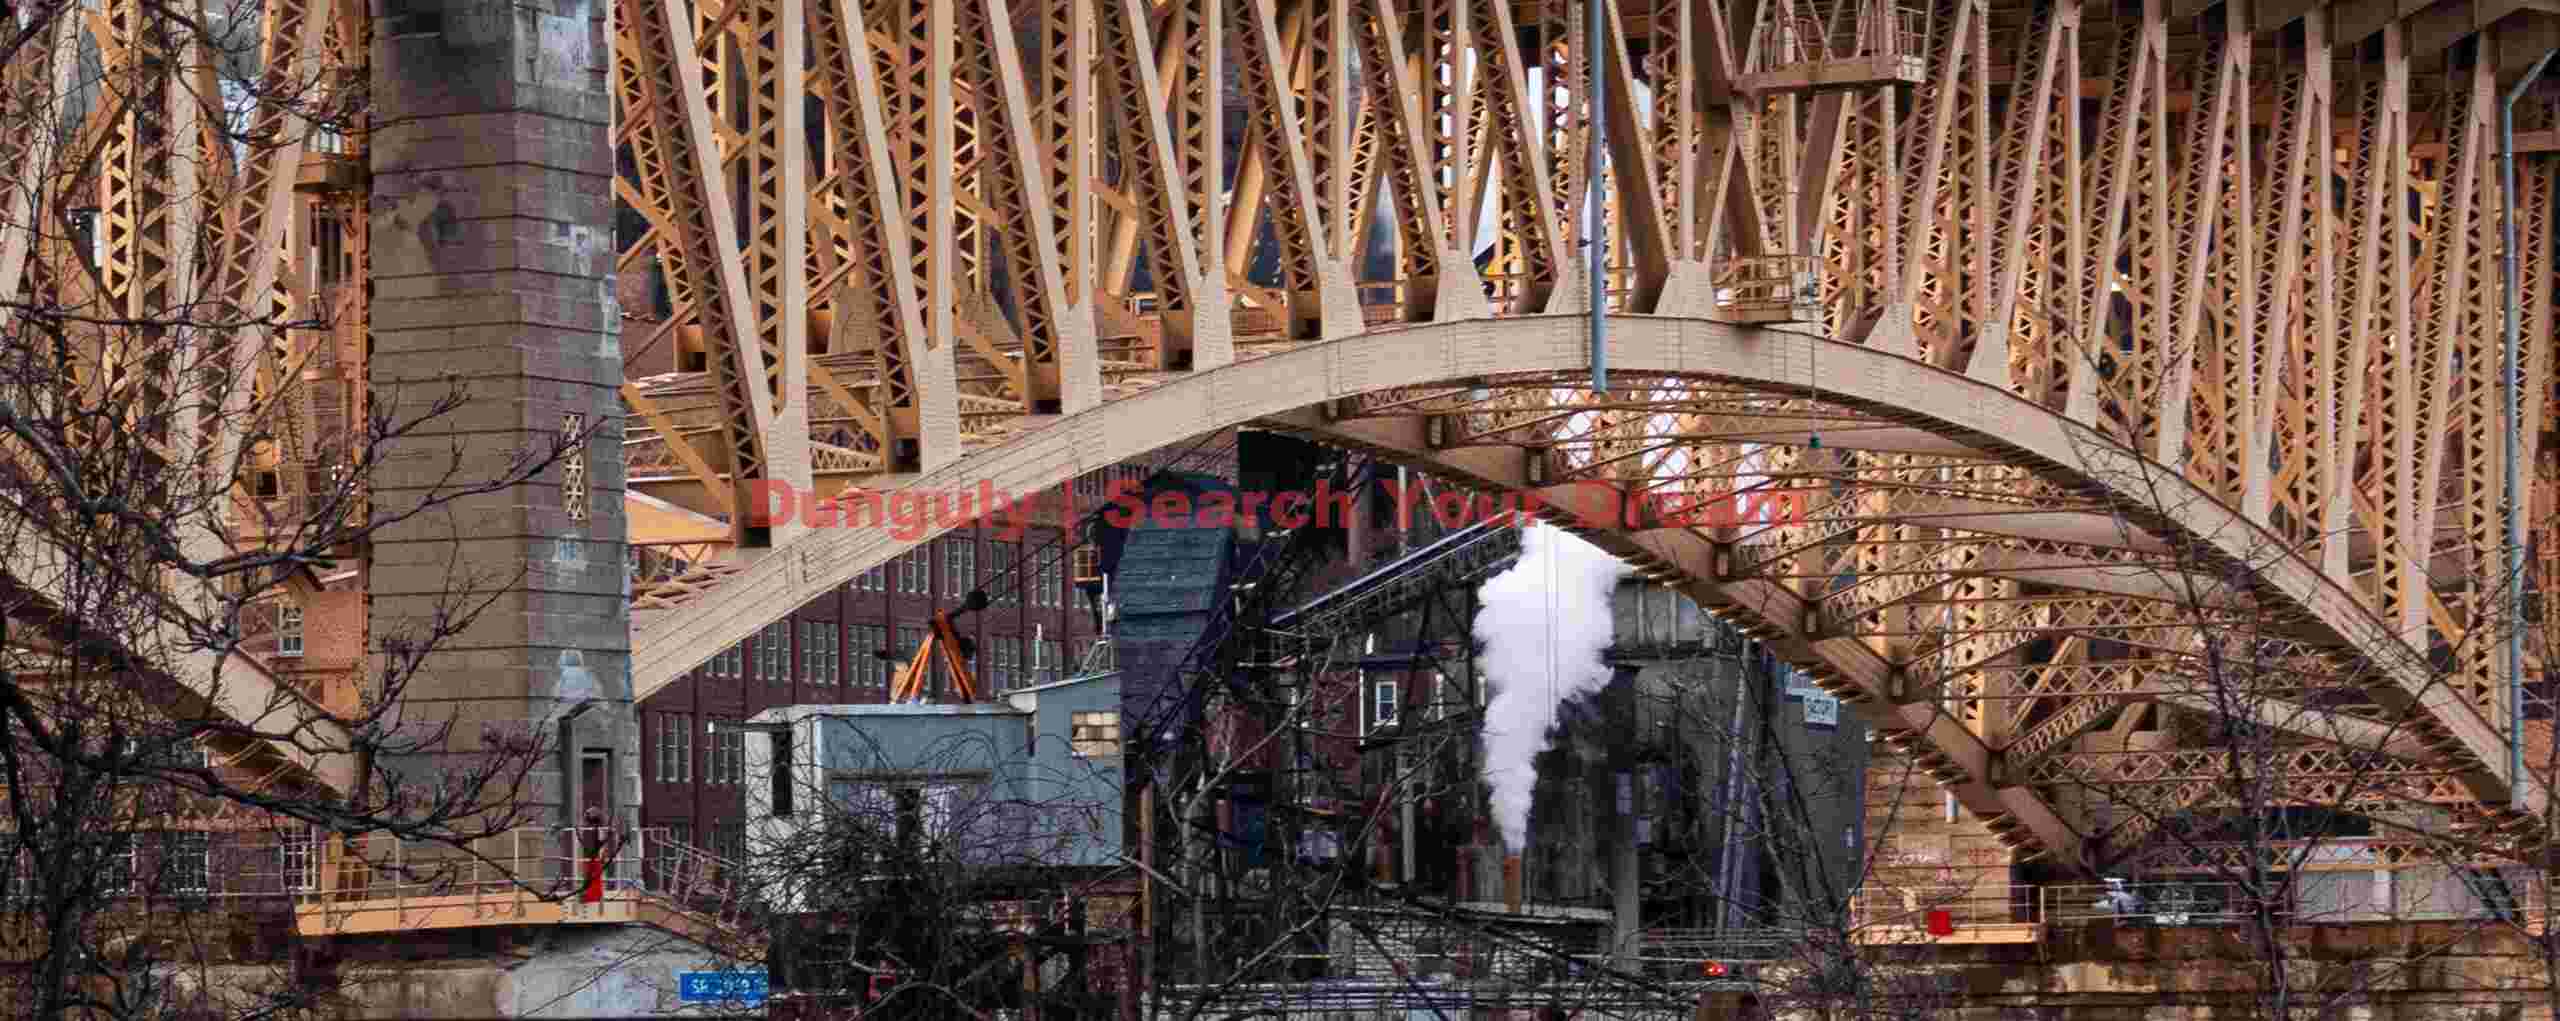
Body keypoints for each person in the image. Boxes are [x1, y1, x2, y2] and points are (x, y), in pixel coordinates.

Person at [580, 807, 625, 903]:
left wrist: (603, 854)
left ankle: (592, 896)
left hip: (594, 857)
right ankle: (592, 895)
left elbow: (603, 844)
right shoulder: (598, 829)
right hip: (593, 857)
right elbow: (603, 843)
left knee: (593, 875)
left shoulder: (598, 829)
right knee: (592, 875)